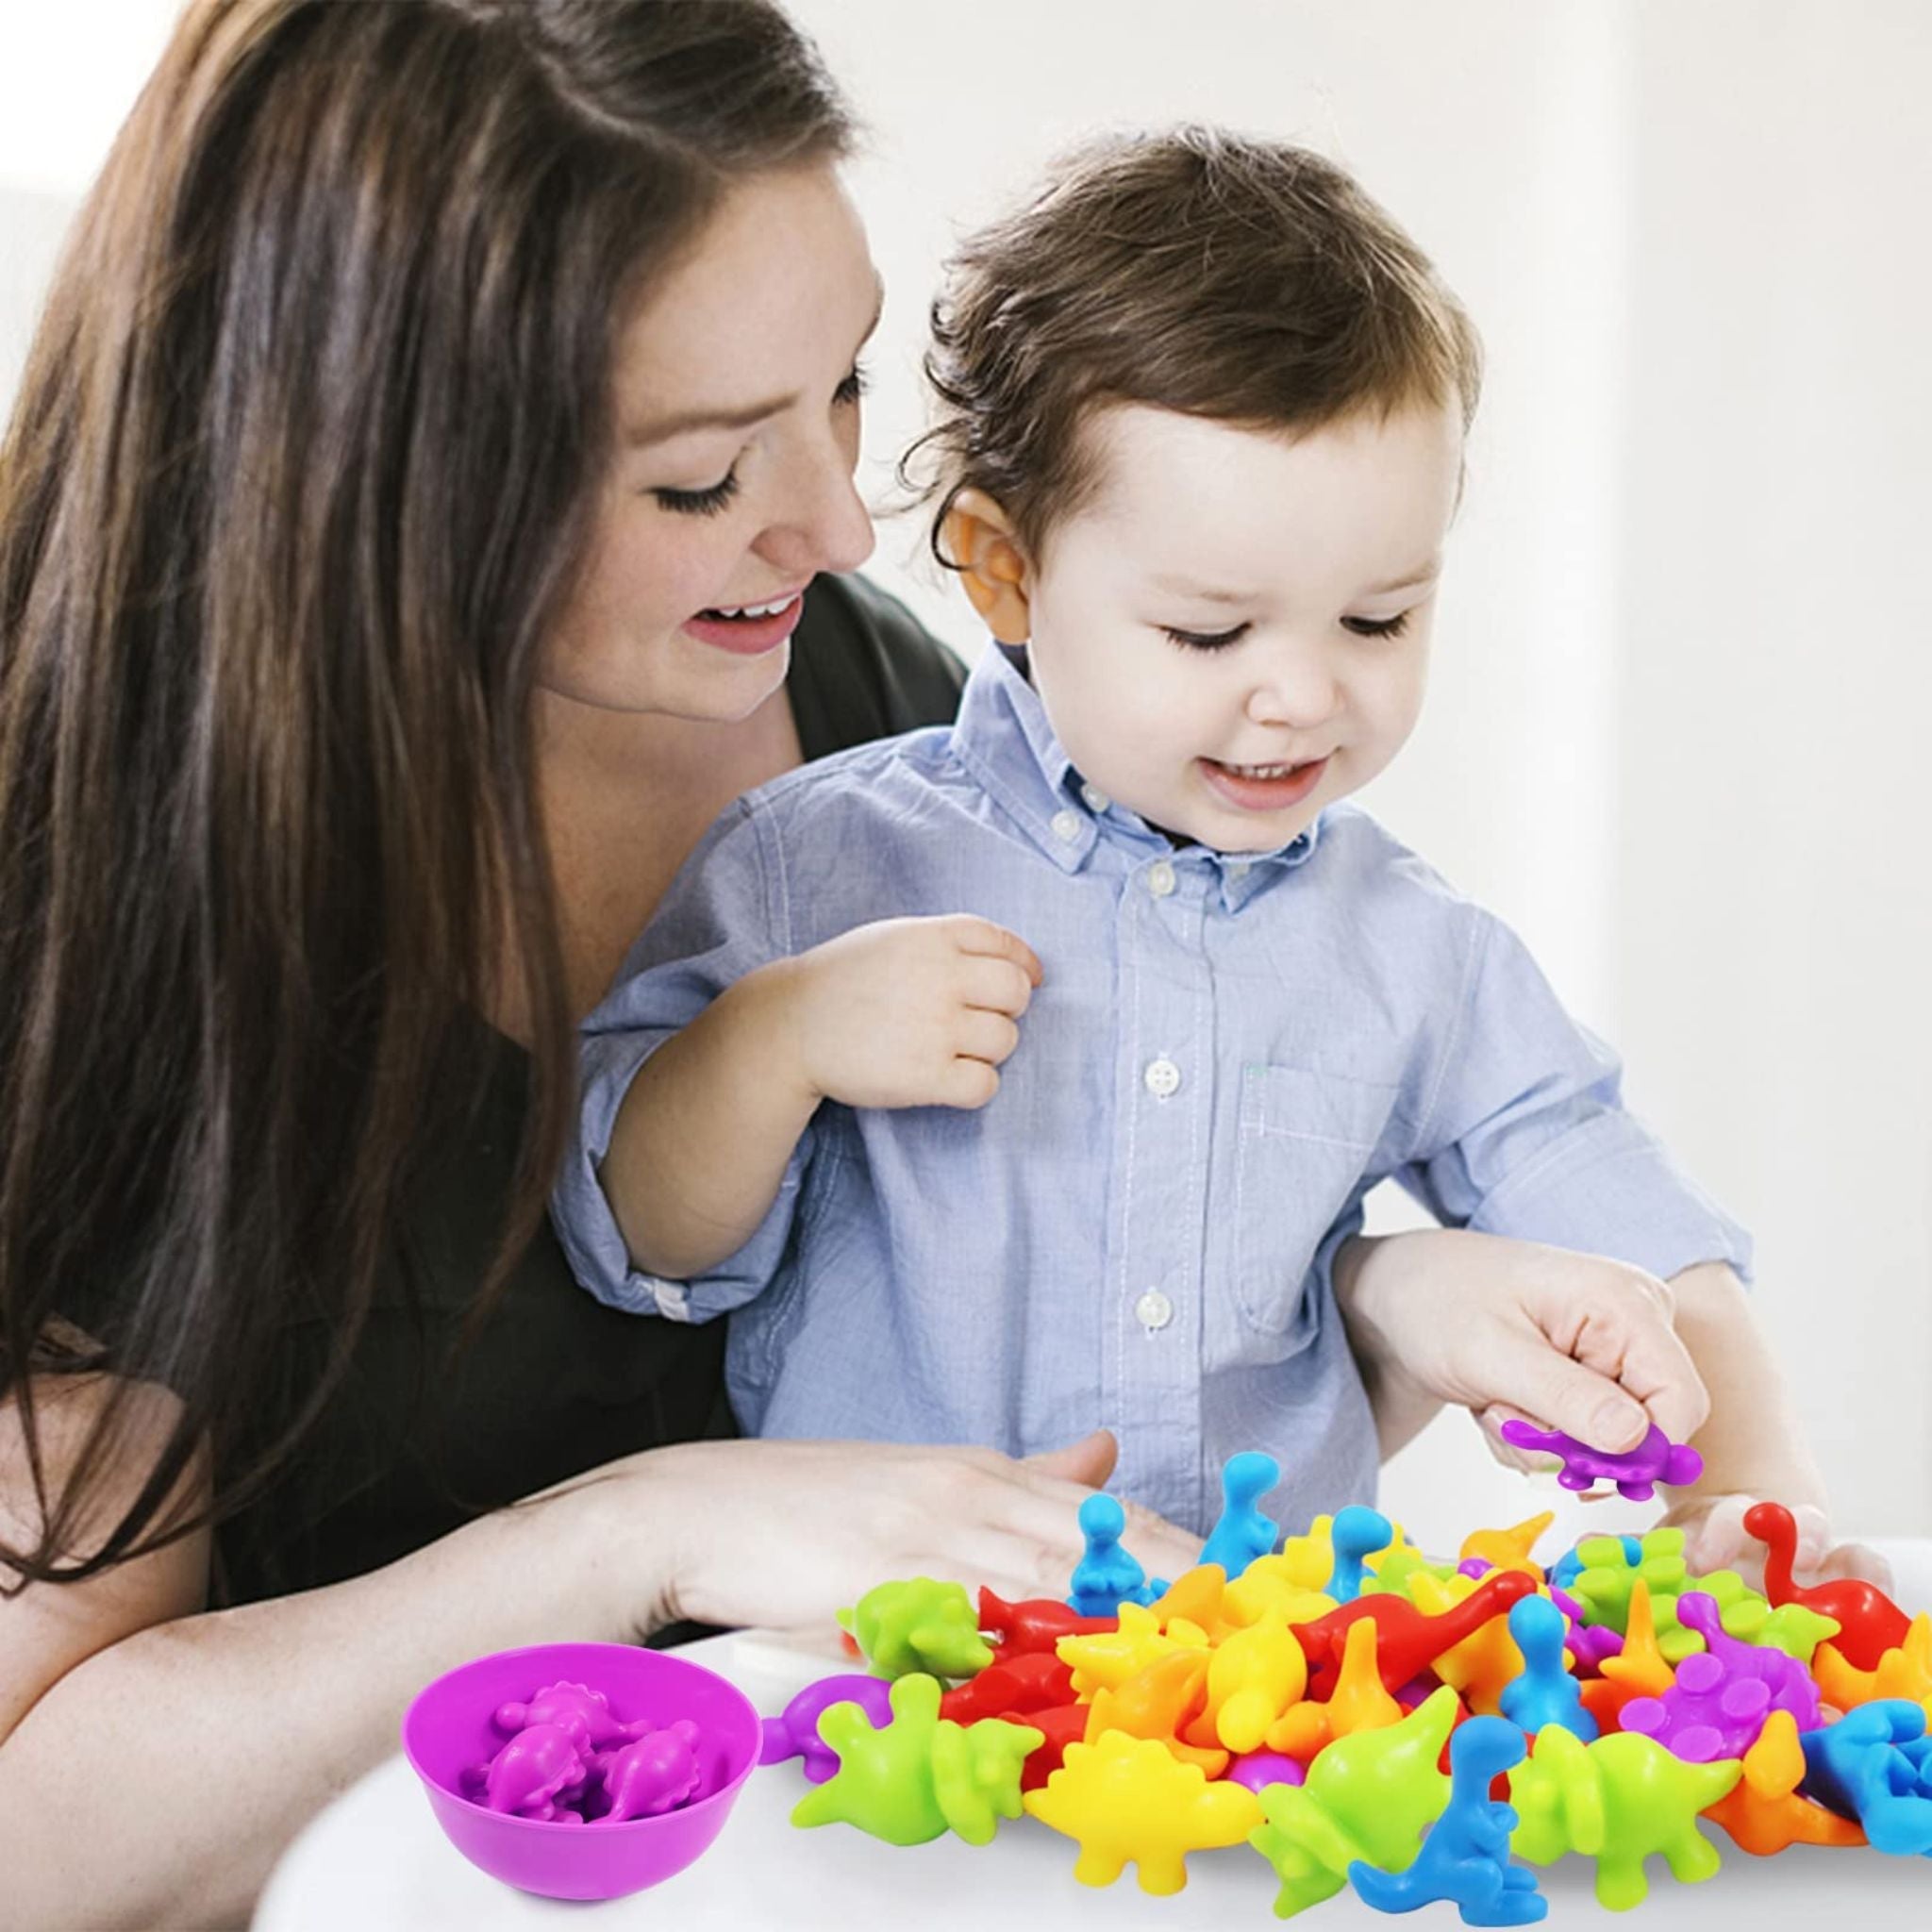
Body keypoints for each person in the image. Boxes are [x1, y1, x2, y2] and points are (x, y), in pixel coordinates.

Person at [0, 5, 1208, 1923]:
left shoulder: (868, 704)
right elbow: (37, 1824)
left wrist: (1362, 1297)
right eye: (696, 479)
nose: (837, 520)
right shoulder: (88, 887)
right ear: (368, 486)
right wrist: (643, 1538)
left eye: (844, 385)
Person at [560, 126, 1874, 1582]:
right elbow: (641, 1238)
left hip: (1256, 1695)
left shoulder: (1410, 948)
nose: (1306, 694)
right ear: (1006, 569)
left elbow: (1627, 1213)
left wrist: (1748, 1509)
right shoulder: (818, 860)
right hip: (869, 1665)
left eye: (1377, 621)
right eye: (1209, 631)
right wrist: (775, 1041)